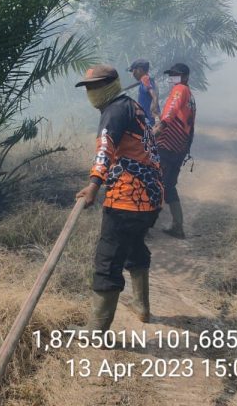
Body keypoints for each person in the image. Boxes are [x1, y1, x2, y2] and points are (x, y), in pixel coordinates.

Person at [75, 64, 163, 331]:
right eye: (88, 87)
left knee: (108, 260)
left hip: (127, 197)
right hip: (151, 198)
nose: (91, 92)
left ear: (110, 86)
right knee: (135, 247)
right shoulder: (131, 107)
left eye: (95, 86)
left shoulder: (113, 111)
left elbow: (104, 148)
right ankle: (142, 306)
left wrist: (93, 185)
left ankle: (96, 332)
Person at [153, 62, 196, 239]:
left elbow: (171, 109)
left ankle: (143, 226)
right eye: (171, 75)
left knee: (155, 182)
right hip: (180, 147)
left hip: (168, 146)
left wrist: (160, 126)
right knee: (168, 185)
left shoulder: (180, 89)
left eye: (176, 75)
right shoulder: (190, 95)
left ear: (185, 77)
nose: (173, 78)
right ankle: (178, 227)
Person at [127, 59, 160, 126]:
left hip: (151, 120)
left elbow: (154, 96)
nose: (133, 74)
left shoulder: (145, 79)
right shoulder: (147, 80)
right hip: (149, 120)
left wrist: (155, 115)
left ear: (140, 70)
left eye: (133, 71)